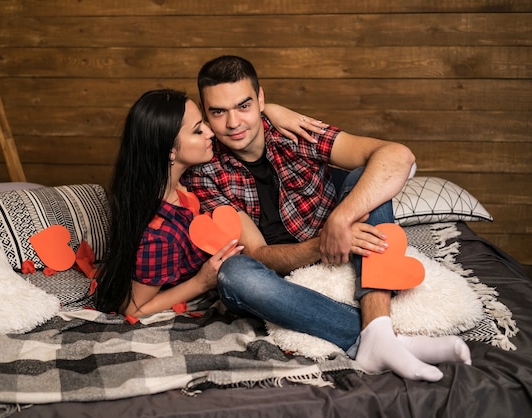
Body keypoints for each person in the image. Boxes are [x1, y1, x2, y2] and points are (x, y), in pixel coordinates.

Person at [183, 55, 472, 382]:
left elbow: (397, 155)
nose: (234, 123)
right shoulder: (206, 173)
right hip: (281, 275)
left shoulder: (295, 132)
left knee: (367, 177)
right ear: (206, 115)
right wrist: (321, 245)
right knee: (234, 274)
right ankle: (379, 337)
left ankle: (378, 330)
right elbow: (258, 255)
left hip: (344, 247)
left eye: (244, 106)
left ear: (261, 99)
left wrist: (341, 219)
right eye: (218, 112)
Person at [93, 88, 345, 320]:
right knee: (238, 271)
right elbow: (134, 307)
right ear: (169, 151)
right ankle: (354, 328)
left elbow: (231, 113)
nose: (211, 132)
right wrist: (202, 282)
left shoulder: (186, 178)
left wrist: (272, 109)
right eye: (197, 130)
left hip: (307, 210)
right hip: (239, 274)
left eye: (204, 121)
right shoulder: (161, 235)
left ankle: (375, 318)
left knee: (362, 178)